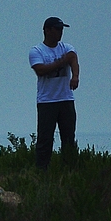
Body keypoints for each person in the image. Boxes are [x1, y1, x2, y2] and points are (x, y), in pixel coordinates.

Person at [29, 16, 79, 170]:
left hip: (66, 99)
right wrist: (61, 62)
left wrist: (75, 77)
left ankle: (69, 170)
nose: (60, 33)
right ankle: (42, 170)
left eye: (61, 29)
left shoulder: (66, 47)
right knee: (45, 139)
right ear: (47, 31)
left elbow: (73, 59)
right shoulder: (37, 51)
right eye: (57, 29)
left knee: (69, 137)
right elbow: (41, 70)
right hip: (47, 101)